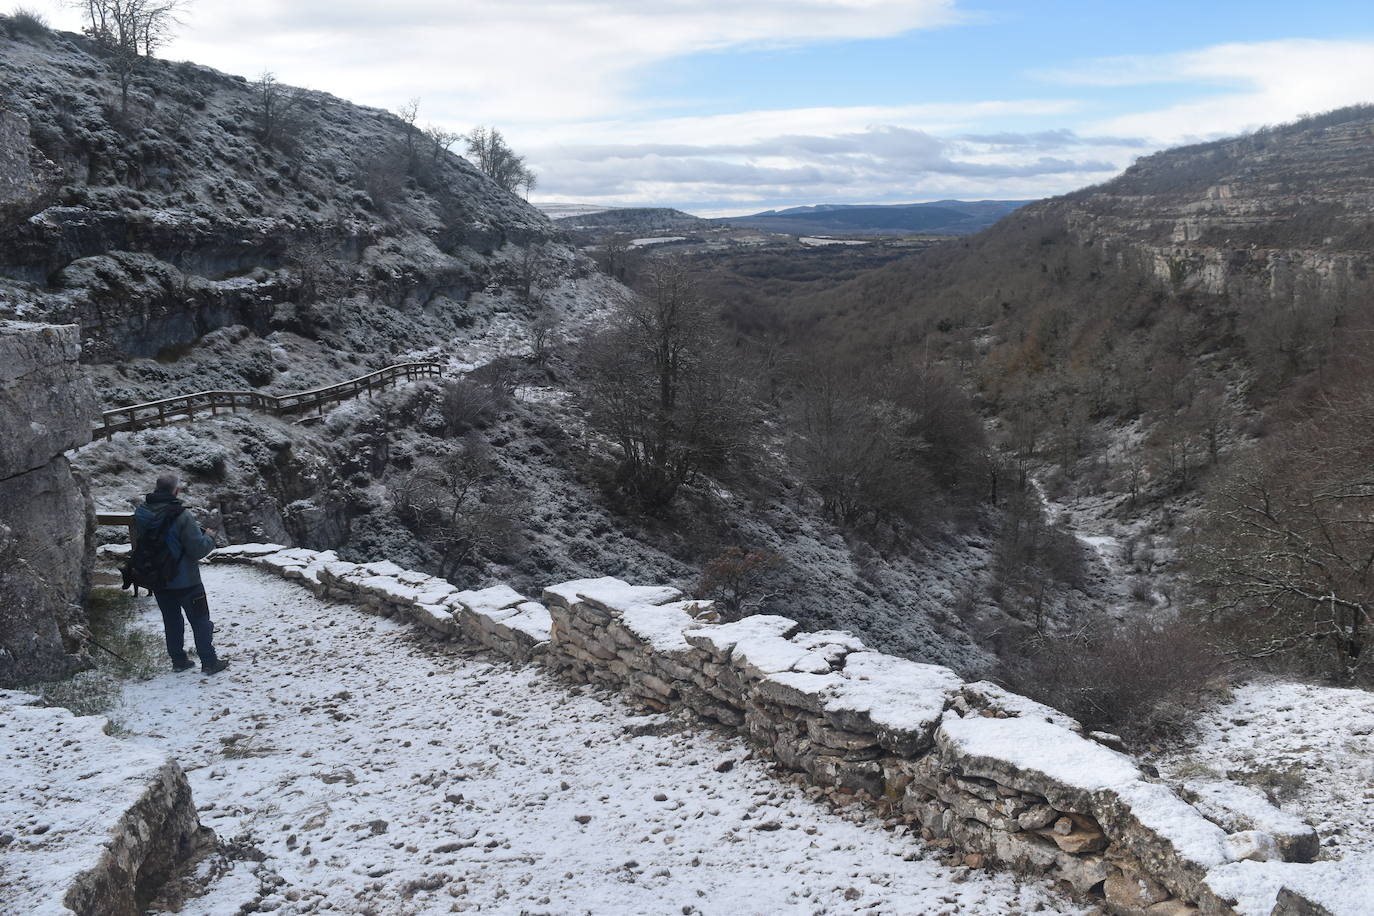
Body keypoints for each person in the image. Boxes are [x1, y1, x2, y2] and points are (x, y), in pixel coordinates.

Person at [133, 474, 229, 675]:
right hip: (186, 580)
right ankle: (210, 661)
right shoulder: (181, 515)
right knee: (200, 620)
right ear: (175, 491)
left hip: (158, 578)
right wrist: (209, 538)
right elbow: (197, 550)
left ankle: (178, 660)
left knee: (171, 620)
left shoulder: (141, 512)